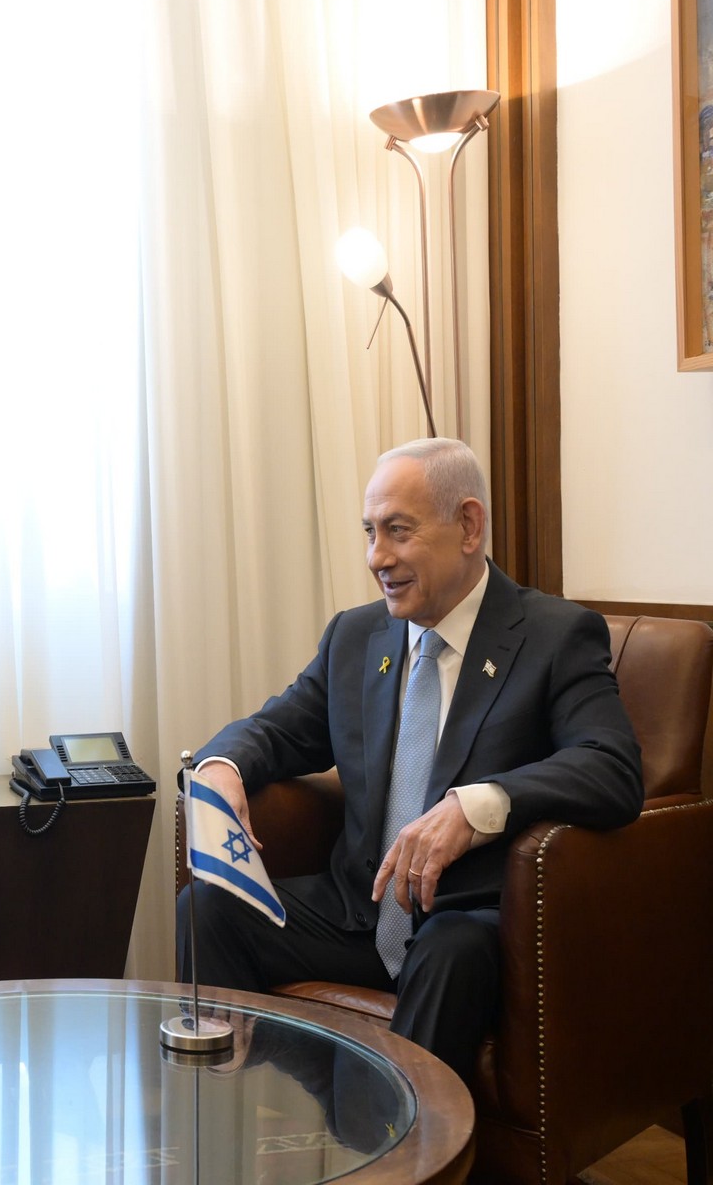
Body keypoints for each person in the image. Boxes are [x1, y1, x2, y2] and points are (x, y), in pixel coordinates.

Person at [176, 437, 641, 1081]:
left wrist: (479, 806)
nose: (377, 557)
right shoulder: (357, 636)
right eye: (370, 532)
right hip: (358, 909)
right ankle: (236, 1127)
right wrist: (221, 769)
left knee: (448, 950)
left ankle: (409, 1159)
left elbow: (611, 767)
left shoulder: (555, 635)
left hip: (471, 920)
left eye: (398, 531)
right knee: (208, 909)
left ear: (468, 526)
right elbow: (275, 730)